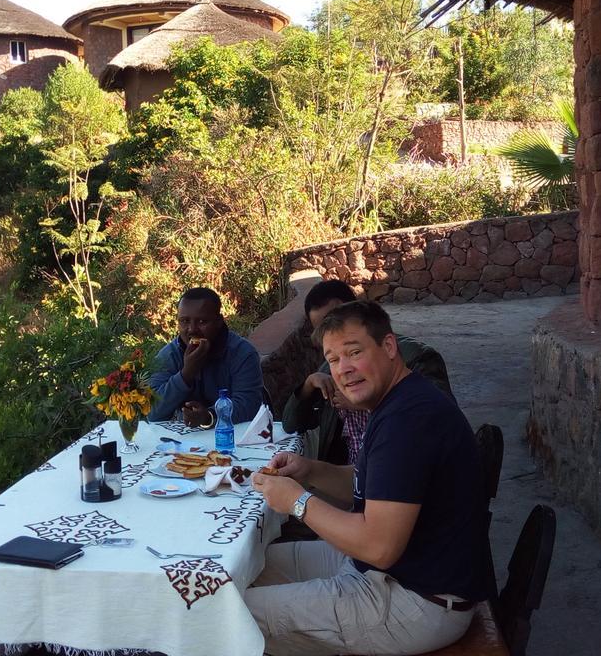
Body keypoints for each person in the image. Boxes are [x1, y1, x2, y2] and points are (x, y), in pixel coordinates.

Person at [247, 300, 491, 655]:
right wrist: (309, 471)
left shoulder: (409, 421)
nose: (343, 369)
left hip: (418, 602)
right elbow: (373, 486)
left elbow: (379, 546)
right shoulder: (398, 401)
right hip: (389, 573)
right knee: (239, 574)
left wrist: (296, 501)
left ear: (388, 347)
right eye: (333, 360)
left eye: (354, 352)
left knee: (233, 615)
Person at [281, 280, 452, 465]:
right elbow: (291, 425)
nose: (331, 333)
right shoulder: (330, 371)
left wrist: (365, 404)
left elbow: (438, 424)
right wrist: (308, 387)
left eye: (355, 353)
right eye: (323, 329)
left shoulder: (416, 358)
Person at [146, 287, 264, 426]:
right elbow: (152, 412)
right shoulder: (169, 355)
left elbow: (249, 406)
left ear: (219, 321)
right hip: (185, 442)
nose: (192, 329)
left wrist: (209, 417)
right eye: (185, 321)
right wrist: (186, 375)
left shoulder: (242, 353)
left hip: (233, 438)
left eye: (202, 322)